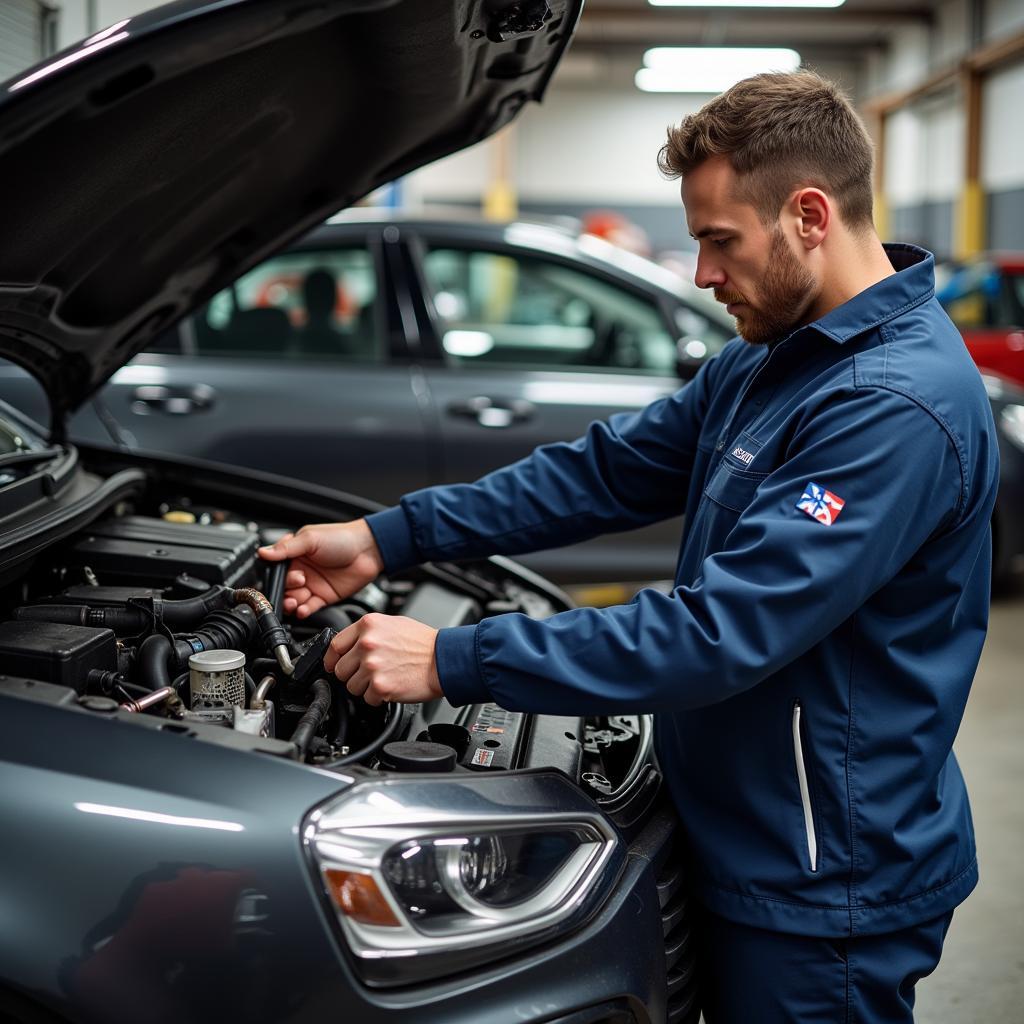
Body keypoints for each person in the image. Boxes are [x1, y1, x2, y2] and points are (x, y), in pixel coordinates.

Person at [258, 71, 999, 1021]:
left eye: (718, 241)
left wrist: (453, 657)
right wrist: (385, 537)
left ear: (809, 215)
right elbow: (604, 472)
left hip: (822, 878)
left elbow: (718, 634)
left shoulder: (893, 406)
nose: (702, 275)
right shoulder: (778, 356)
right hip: (744, 825)